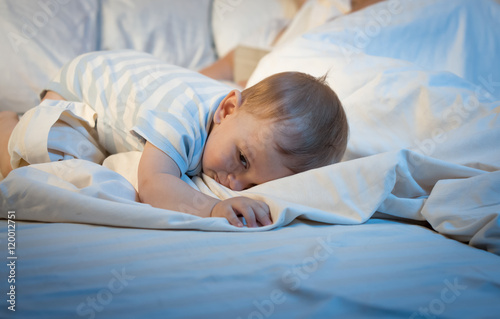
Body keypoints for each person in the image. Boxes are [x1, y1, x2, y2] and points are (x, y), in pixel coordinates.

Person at [0, 50, 348, 228]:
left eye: (253, 183)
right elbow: (153, 183)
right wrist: (212, 208)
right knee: (41, 156)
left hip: (140, 76)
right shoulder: (181, 119)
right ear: (226, 110)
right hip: (82, 85)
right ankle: (6, 122)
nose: (234, 183)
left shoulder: (244, 126)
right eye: (242, 160)